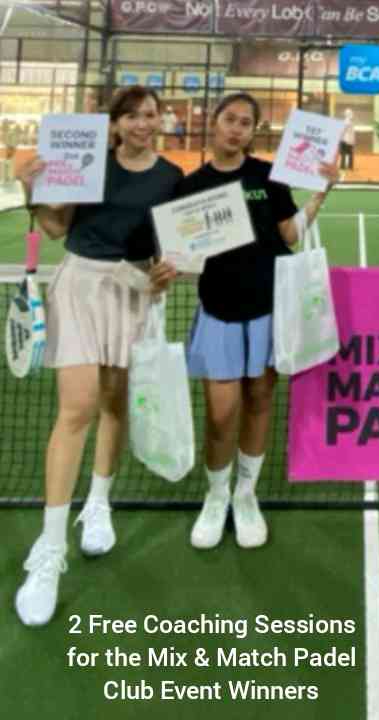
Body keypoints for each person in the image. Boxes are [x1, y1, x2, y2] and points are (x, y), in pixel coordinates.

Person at [14, 86, 183, 627]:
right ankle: (49, 551)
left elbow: (171, 249)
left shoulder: (171, 177)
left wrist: (168, 269)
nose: (141, 124)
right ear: (115, 124)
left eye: (150, 115)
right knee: (76, 410)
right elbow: (56, 228)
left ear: (160, 120)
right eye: (131, 116)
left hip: (133, 292)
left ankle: (99, 504)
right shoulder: (87, 162)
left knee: (114, 404)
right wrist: (31, 188)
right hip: (79, 287)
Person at [151, 92, 339, 551]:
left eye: (245, 123)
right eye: (229, 119)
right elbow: (176, 253)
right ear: (214, 122)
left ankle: (245, 494)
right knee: (221, 415)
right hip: (219, 308)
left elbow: (288, 233)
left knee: (258, 401)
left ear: (253, 131)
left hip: (268, 308)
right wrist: (164, 268)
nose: (236, 129)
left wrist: (321, 193)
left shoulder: (267, 177)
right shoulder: (191, 186)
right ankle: (216, 496)